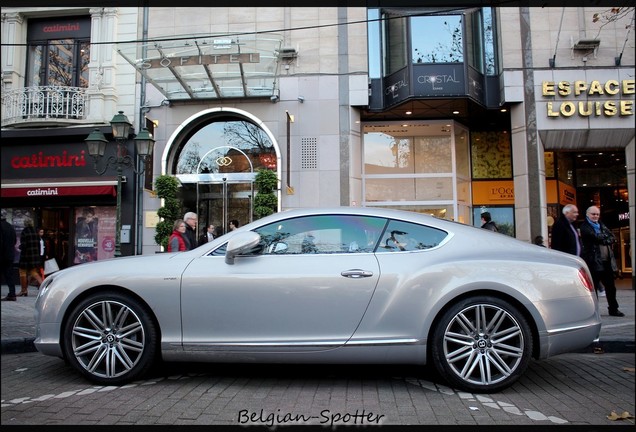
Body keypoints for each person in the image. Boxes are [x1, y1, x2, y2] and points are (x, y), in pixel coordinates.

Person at [580, 206, 623, 317]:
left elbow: (612, 237)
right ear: (587, 214)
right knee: (593, 289)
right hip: (593, 262)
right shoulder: (585, 227)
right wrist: (605, 238)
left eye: (597, 214)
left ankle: (613, 309)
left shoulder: (601, 225)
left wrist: (604, 238)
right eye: (593, 214)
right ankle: (594, 312)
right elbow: (596, 237)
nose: (596, 216)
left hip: (606, 262)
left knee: (611, 288)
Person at [18, 217, 43, 296]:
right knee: (34, 272)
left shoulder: (24, 232)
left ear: (25, 224)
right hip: (34, 257)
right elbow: (38, 245)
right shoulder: (35, 232)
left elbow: (24, 245)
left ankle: (24, 290)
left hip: (26, 256)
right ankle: (45, 287)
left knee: (22, 272)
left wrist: (20, 247)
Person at [1, 209, 18, 301]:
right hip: (10, 255)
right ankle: (12, 294)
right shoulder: (10, 226)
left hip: (2, 255)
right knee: (9, 275)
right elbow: (14, 241)